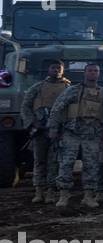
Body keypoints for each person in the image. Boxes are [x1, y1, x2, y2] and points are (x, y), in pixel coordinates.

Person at [47, 62, 103, 211]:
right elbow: (58, 108)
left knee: (91, 166)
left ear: (99, 74)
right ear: (85, 73)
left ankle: (88, 196)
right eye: (90, 71)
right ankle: (64, 196)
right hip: (72, 134)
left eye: (95, 71)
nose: (92, 73)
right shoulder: (73, 91)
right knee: (66, 164)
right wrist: (53, 128)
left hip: (92, 135)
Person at [21, 59, 71, 204]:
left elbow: (72, 109)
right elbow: (25, 106)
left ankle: (50, 191)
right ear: (48, 70)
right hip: (40, 131)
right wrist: (32, 122)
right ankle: (38, 191)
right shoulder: (37, 87)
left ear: (63, 70)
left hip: (58, 132)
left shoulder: (68, 88)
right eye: (53, 68)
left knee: (54, 163)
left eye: (59, 68)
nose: (56, 70)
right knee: (39, 161)